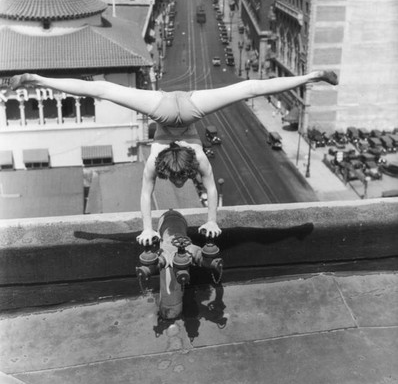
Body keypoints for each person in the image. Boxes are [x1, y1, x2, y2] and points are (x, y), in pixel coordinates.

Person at [9, 70, 338, 245]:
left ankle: (37, 79)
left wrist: (149, 228)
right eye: (182, 179)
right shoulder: (186, 159)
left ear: (175, 167)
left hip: (170, 107)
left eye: (179, 179)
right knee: (250, 88)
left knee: (103, 91)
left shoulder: (175, 158)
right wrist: (209, 220)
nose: (181, 182)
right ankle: (311, 77)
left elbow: (149, 194)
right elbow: (208, 191)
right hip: (180, 106)